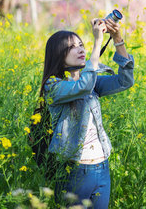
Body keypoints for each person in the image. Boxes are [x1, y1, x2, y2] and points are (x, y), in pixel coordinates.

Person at [40, 17, 134, 208]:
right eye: (72, 47)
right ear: (58, 55)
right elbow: (83, 86)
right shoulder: (54, 86)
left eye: (81, 44)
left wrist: (117, 38)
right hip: (74, 171)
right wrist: (97, 42)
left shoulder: (92, 83)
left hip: (102, 167)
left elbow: (125, 81)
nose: (81, 49)